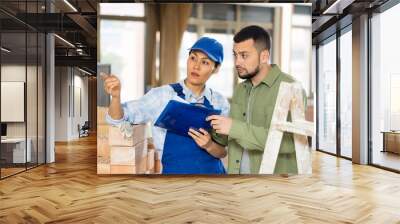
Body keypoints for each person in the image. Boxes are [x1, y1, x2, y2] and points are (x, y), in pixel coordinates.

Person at [103, 37, 230, 174]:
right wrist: (115, 97)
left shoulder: (219, 102)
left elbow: (222, 152)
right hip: (175, 183)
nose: (196, 66)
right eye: (193, 58)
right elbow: (117, 119)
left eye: (205, 62)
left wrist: (209, 145)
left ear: (215, 69)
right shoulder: (162, 96)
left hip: (213, 182)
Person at [207, 25, 306, 174]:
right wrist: (213, 129)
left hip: (273, 188)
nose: (237, 62)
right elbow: (232, 137)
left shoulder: (291, 87)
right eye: (235, 55)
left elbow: (290, 142)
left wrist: (234, 127)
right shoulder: (240, 90)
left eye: (244, 55)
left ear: (264, 56)